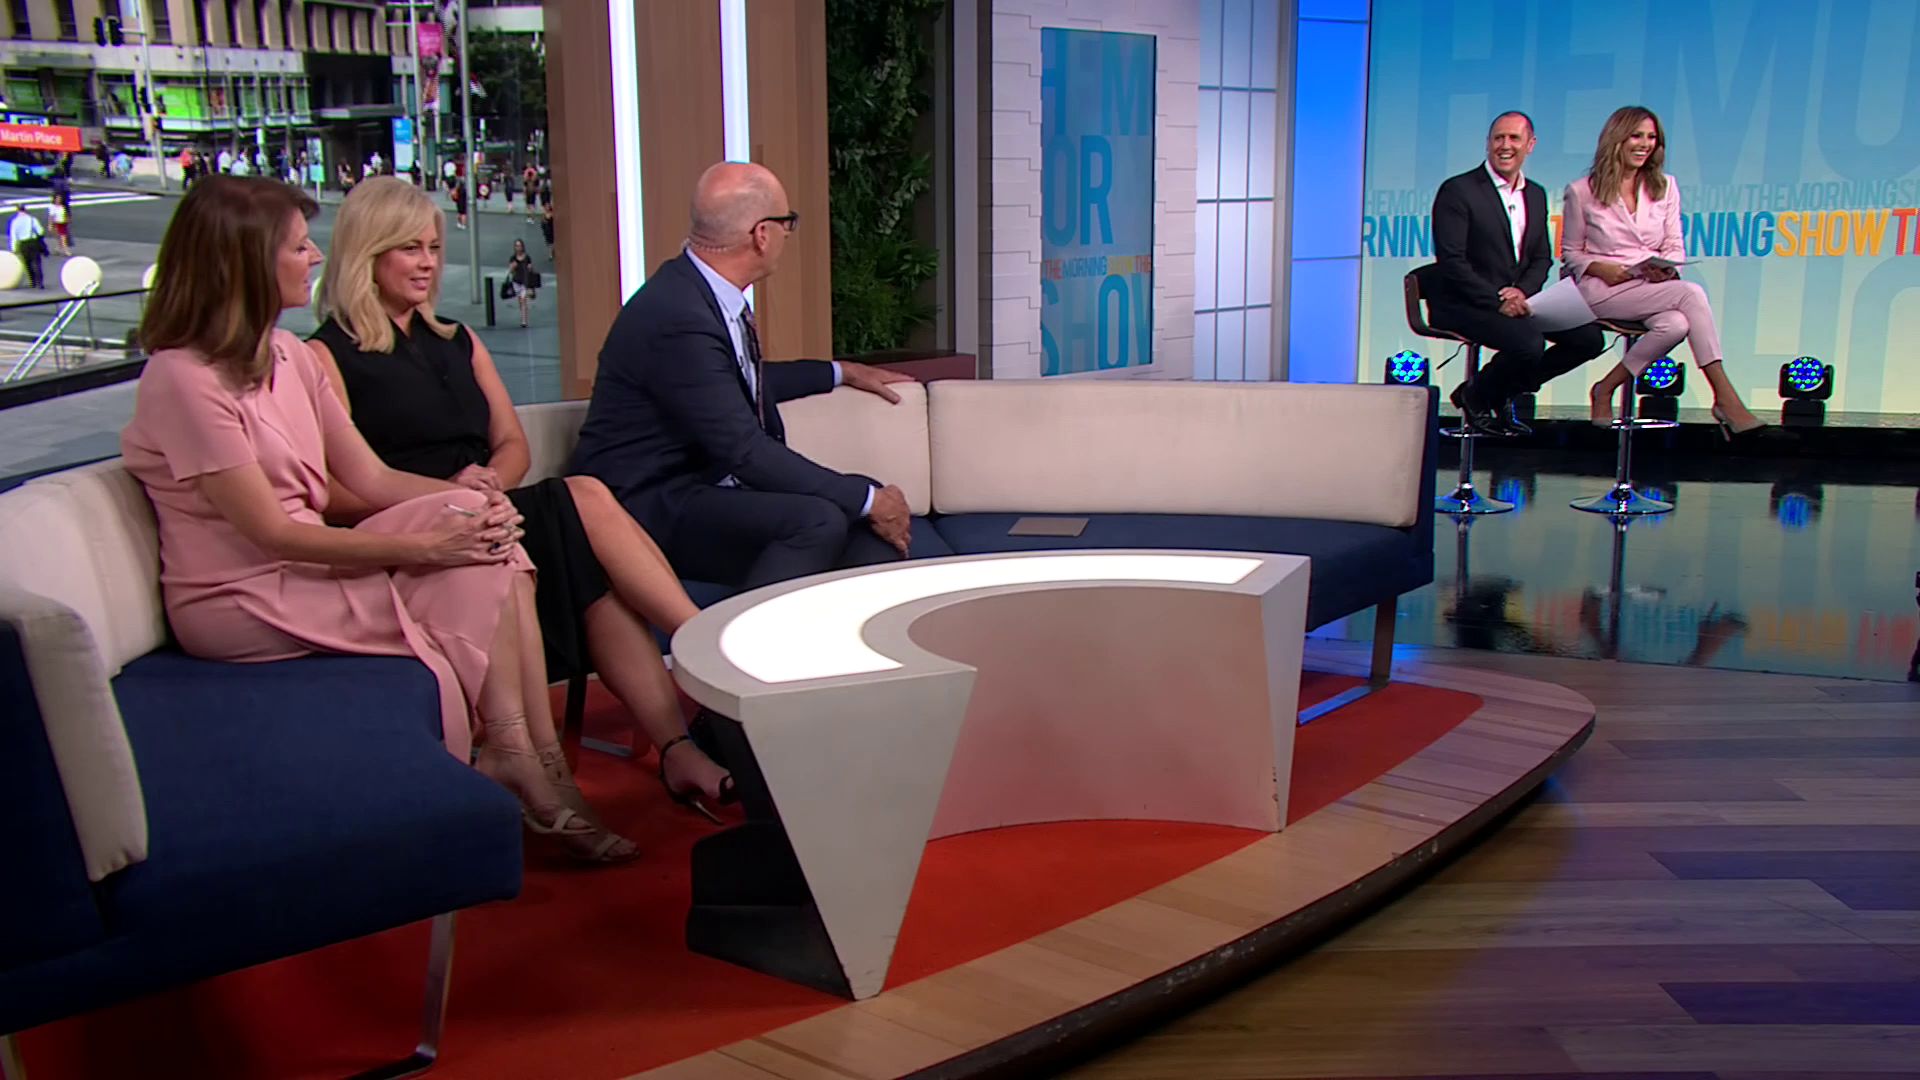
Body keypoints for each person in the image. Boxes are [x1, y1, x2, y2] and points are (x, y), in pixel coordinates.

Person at [119, 176, 636, 863]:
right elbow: (270, 533)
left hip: (307, 560)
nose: (313, 257)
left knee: (488, 534)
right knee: (471, 557)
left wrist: (473, 510)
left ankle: (531, 757)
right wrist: (428, 545)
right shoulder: (182, 379)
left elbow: (370, 477)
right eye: (298, 246)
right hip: (242, 592)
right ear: (246, 260)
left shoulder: (287, 356)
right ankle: (523, 759)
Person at [307, 177, 735, 818]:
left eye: (433, 248)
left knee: (593, 574)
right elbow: (333, 492)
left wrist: (487, 484)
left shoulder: (457, 340)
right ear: (366, 253)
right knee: (582, 496)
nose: (427, 264)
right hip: (420, 540)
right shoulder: (326, 356)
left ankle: (679, 747)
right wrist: (450, 494)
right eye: (409, 249)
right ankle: (712, 652)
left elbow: (511, 444)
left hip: (491, 513)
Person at [572, 161, 918, 590]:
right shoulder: (678, 315)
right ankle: (739, 632)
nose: (788, 235)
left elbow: (735, 381)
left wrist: (838, 372)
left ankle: (848, 621)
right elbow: (745, 450)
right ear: (762, 234)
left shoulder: (697, 293)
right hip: (646, 503)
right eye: (788, 223)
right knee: (821, 518)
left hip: (694, 486)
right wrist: (868, 501)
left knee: (862, 510)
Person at [1562, 105, 1769, 438]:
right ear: (1617, 139)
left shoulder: (1665, 186)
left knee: (1676, 324)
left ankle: (1605, 388)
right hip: (1601, 288)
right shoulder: (1581, 191)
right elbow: (1571, 253)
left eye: (1652, 137)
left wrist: (1666, 269)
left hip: (1648, 285)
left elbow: (1673, 244)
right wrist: (1601, 267)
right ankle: (1725, 398)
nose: (1645, 144)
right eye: (1636, 136)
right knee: (1692, 294)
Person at [1426, 111, 1606, 437]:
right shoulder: (1458, 190)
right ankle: (1477, 396)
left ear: (1530, 145)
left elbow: (1540, 258)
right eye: (1498, 138)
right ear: (1488, 143)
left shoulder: (1535, 194)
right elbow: (1452, 262)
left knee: (1588, 340)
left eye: (1514, 138)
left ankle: (1498, 390)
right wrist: (1498, 300)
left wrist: (1522, 292)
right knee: (1528, 343)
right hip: (1465, 301)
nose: (1505, 146)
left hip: (1517, 302)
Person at [9, 206, 46, 289]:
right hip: (33, 242)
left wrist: (13, 249)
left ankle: (32, 281)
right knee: (36, 263)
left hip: (23, 244)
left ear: (18, 211)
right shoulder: (32, 219)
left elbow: (13, 236)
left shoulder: (15, 222)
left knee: (27, 263)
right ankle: (40, 282)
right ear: (26, 211)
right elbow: (40, 231)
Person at [506, 237, 537, 327]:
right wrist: (513, 267)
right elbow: (510, 271)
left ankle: (524, 321)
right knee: (520, 300)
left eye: (519, 246)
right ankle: (523, 315)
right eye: (516, 246)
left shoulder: (527, 257)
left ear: (522, 247)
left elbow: (531, 269)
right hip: (516, 281)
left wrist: (530, 268)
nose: (518, 248)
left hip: (524, 282)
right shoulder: (513, 258)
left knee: (523, 300)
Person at [48, 191, 71, 256]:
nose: (58, 200)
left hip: (63, 223)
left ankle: (59, 249)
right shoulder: (52, 207)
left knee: (63, 238)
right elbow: (51, 216)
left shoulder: (62, 206)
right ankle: (64, 250)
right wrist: (50, 225)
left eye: (60, 199)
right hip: (56, 224)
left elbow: (66, 214)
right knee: (60, 238)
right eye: (57, 198)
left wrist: (67, 220)